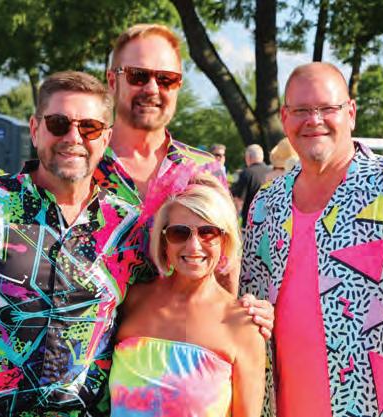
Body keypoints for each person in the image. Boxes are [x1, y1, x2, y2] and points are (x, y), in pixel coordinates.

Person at [0, 71, 144, 415]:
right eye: (59, 124)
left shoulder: (128, 227)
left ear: (105, 138)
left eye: (89, 127)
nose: (73, 137)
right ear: (34, 129)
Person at [240, 62, 383, 417]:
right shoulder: (266, 205)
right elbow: (250, 307)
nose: (313, 120)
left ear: (351, 113)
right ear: (285, 118)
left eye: (326, 108)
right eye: (301, 110)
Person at [96, 23, 273, 320]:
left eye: (166, 78)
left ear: (177, 86)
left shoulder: (204, 169)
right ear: (112, 81)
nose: (152, 88)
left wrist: (235, 324)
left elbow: (225, 267)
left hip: (179, 342)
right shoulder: (84, 164)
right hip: (90, 347)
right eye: (138, 75)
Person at [109, 173, 265, 416]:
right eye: (179, 233)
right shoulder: (132, 300)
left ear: (224, 241)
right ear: (163, 242)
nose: (193, 246)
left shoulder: (242, 324)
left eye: (208, 232)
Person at [231, 144, 269, 228]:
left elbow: (239, 201)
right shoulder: (271, 171)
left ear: (248, 157)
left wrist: (234, 222)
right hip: (270, 223)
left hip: (251, 224)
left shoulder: (246, 173)